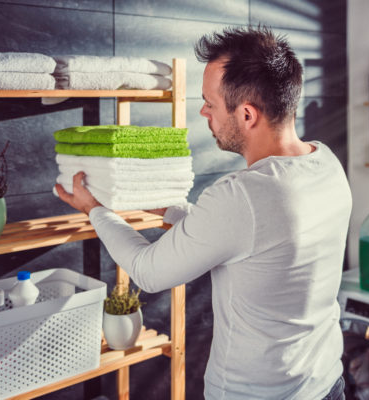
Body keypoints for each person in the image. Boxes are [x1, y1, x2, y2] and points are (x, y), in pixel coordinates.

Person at [55, 26, 352, 400]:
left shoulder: (241, 195)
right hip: (325, 384)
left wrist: (93, 208)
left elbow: (147, 271)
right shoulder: (325, 163)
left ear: (247, 114)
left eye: (210, 103)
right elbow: (260, 239)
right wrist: (177, 211)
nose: (203, 112)